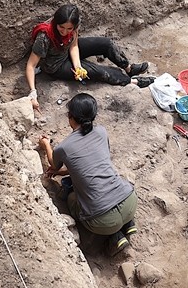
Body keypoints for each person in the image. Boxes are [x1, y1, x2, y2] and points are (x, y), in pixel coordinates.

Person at [38, 93, 138, 255]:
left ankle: (114, 237)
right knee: (113, 184)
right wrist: (65, 171)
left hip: (103, 221)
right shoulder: (101, 132)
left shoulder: (63, 147)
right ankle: (128, 223)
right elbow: (93, 161)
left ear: (70, 117)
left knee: (71, 197)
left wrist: (46, 146)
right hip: (130, 202)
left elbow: (53, 164)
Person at [24, 4, 150, 111]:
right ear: (56, 22)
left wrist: (77, 65)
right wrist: (33, 91)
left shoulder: (72, 29)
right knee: (95, 70)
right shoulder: (45, 36)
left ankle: (129, 69)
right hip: (56, 65)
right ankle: (132, 82)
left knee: (105, 44)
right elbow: (31, 65)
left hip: (66, 50)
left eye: (69, 29)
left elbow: (73, 46)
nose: (64, 31)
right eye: (61, 27)